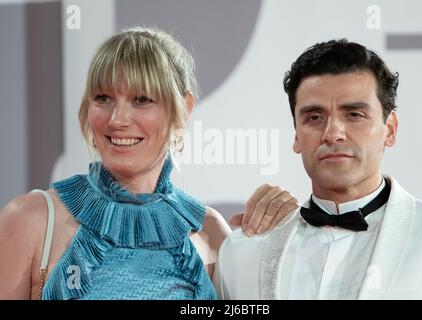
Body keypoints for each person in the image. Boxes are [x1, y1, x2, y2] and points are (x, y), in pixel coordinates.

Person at [0, 27, 299, 300]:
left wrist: (288, 227)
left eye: (141, 100)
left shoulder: (210, 232)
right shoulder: (29, 220)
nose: (117, 120)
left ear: (183, 108)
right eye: (103, 98)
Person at [214, 39, 422, 300]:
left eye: (354, 115)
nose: (333, 133)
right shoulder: (241, 254)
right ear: (296, 135)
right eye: (314, 117)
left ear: (390, 128)